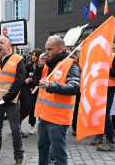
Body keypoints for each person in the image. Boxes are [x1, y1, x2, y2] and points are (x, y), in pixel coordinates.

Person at [32, 35, 80, 165]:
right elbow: (37, 84)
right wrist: (39, 68)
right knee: (42, 148)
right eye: (45, 48)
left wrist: (51, 85)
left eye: (49, 49)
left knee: (59, 154)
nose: (45, 52)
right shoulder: (48, 63)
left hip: (58, 119)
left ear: (60, 49)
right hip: (43, 115)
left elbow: (75, 87)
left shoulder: (70, 64)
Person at [0, 36, 25, 165]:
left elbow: (19, 82)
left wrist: (6, 98)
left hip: (11, 100)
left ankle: (19, 158)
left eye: (2, 43)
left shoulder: (18, 60)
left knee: (15, 129)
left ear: (9, 45)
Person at [95, 49, 115, 152]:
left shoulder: (114, 57)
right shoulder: (96, 56)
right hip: (97, 88)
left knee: (105, 115)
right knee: (98, 114)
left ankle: (110, 142)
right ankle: (100, 136)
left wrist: (105, 69)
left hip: (108, 88)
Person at [19, 48, 42, 137]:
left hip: (40, 89)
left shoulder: (42, 66)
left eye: (35, 55)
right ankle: (32, 125)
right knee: (31, 108)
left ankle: (41, 125)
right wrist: (28, 81)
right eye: (32, 55)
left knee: (40, 107)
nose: (33, 57)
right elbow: (23, 76)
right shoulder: (28, 65)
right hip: (30, 89)